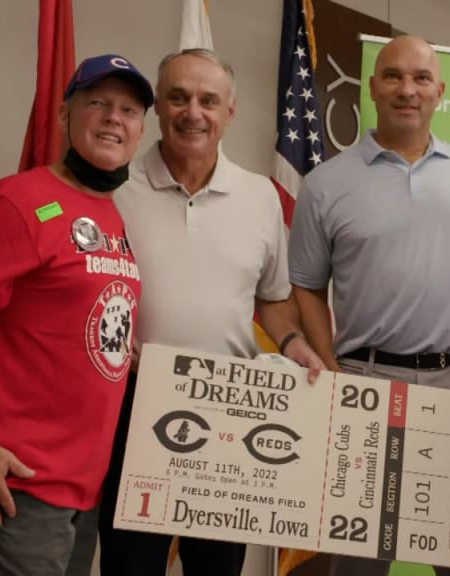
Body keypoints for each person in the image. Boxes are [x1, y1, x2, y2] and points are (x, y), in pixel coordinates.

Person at [288, 34, 450, 576]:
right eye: (394, 76)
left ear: (439, 92)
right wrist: (335, 374)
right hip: (365, 383)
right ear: (372, 88)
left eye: (421, 78)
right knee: (358, 563)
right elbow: (306, 287)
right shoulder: (324, 184)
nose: (407, 89)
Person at [0, 54, 152, 575]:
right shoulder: (15, 202)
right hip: (17, 484)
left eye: (129, 109)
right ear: (65, 117)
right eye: (97, 103)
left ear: (140, 131)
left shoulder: (111, 216)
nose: (114, 117)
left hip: (82, 490)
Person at [98, 48, 324, 576]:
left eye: (207, 100)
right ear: (158, 106)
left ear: (230, 112)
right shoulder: (114, 188)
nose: (192, 112)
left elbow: (271, 299)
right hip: (132, 408)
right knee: (132, 565)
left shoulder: (261, 197)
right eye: (177, 97)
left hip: (230, 414)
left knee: (218, 569)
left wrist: (294, 346)